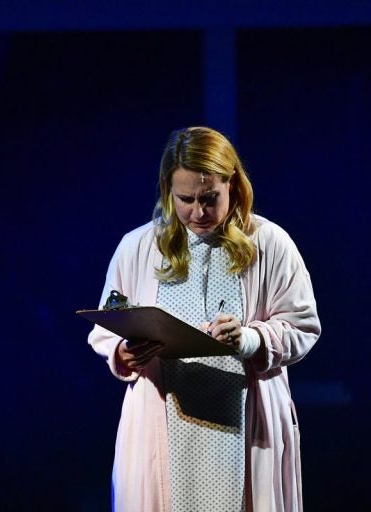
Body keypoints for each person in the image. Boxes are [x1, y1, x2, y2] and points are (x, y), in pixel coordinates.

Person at [88, 126, 320, 511]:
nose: (198, 212)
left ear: (233, 184)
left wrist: (250, 338)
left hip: (244, 418)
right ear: (167, 189)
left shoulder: (270, 242)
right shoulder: (138, 246)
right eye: (186, 199)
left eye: (210, 198)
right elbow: (107, 326)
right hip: (166, 417)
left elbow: (302, 324)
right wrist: (123, 352)